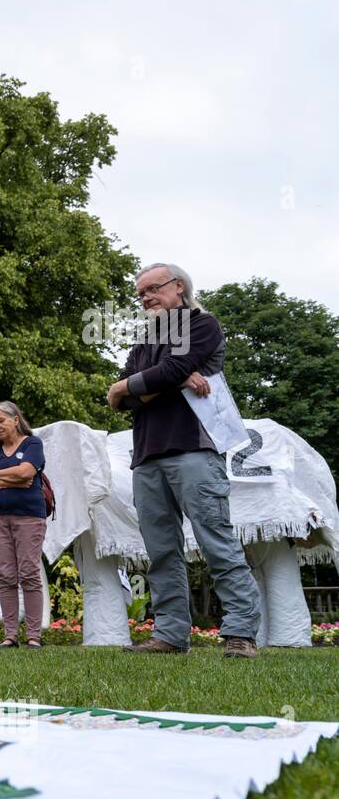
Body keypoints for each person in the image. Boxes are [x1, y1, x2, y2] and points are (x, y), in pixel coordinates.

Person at [108, 262, 261, 658]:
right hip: (145, 457)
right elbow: (123, 401)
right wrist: (165, 380)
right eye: (140, 294)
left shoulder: (202, 324)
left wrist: (134, 383)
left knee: (216, 543)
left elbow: (152, 377)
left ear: (179, 286)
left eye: (152, 289)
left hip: (195, 449)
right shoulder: (144, 340)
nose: (145, 298)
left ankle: (240, 634)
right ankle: (171, 636)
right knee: (160, 551)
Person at [0, 402, 47, 649]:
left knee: (28, 573)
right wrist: (8, 481)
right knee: (5, 576)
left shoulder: (32, 444)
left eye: (1, 420)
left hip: (29, 516)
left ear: (16, 420)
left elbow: (27, 472)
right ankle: (10, 636)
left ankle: (34, 636)